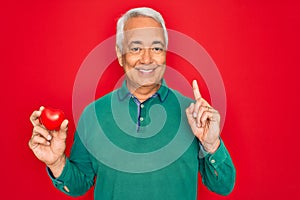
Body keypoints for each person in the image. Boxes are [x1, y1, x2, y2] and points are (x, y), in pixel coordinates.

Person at [28, 7, 236, 200]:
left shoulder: (194, 115)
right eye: (136, 48)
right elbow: (79, 185)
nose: (147, 59)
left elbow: (224, 186)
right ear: (120, 55)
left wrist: (211, 144)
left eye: (156, 48)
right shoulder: (93, 114)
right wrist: (56, 162)